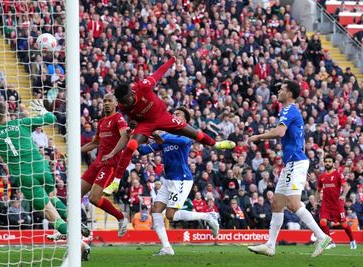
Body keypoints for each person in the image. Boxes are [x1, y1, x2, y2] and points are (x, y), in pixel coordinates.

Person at [103, 55, 235, 195]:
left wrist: (172, 60)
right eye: (122, 101)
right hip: (146, 124)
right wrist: (142, 130)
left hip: (163, 116)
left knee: (193, 132)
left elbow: (158, 73)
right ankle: (115, 182)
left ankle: (216, 144)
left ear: (131, 93)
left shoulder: (142, 86)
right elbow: (135, 120)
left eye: (126, 100)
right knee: (131, 145)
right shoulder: (123, 106)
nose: (125, 103)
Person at [0, 101, 91, 260]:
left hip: (26, 178)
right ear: (6, 112)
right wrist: (44, 111)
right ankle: (77, 223)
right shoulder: (21, 122)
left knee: (53, 217)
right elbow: (51, 118)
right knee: (52, 197)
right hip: (41, 168)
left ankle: (80, 246)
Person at [247, 81, 331, 257]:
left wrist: (258, 137)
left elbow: (279, 133)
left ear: (290, 94)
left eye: (283, 89)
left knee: (293, 203)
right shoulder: (289, 111)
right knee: (277, 203)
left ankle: (322, 236)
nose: (279, 91)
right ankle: (270, 245)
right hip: (292, 163)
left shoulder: (288, 109)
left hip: (295, 162)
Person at [137, 106, 220, 256]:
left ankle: (208, 216)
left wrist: (157, 134)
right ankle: (167, 248)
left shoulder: (186, 135)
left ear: (185, 121)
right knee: (155, 210)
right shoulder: (165, 138)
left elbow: (170, 139)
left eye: (177, 114)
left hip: (181, 180)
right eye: (173, 114)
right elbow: (143, 150)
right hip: (168, 180)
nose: (173, 116)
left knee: (170, 215)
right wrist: (134, 136)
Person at [81, 94, 129, 237]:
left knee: (93, 198)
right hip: (97, 163)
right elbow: (95, 143)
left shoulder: (118, 118)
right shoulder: (102, 121)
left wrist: (113, 153)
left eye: (109, 101)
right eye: (104, 101)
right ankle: (77, 224)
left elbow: (124, 136)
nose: (106, 103)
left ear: (116, 104)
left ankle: (120, 217)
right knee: (75, 194)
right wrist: (76, 150)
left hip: (110, 165)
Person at [316, 155, 357, 249]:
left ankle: (352, 240)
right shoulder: (321, 177)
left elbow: (346, 186)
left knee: (344, 224)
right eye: (326, 161)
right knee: (322, 222)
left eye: (330, 161)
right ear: (324, 163)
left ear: (333, 163)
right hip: (326, 204)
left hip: (337, 204)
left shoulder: (338, 174)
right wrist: (316, 201)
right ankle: (330, 242)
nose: (327, 163)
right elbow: (318, 190)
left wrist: (343, 195)